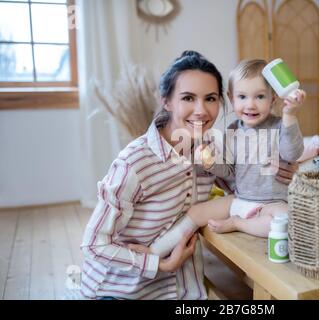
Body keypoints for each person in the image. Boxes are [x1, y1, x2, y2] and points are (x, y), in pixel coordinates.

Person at [80, 52, 298, 300]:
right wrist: (157, 264)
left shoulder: (211, 147)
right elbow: (93, 245)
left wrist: (290, 170)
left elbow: (243, 189)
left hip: (182, 290)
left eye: (210, 98)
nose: (201, 110)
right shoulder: (134, 163)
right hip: (120, 291)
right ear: (167, 101)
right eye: (188, 98)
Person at [149, 59, 306, 258]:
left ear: (273, 98)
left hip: (270, 205)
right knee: (197, 213)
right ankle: (154, 252)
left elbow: (292, 153)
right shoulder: (232, 130)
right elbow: (230, 172)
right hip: (239, 200)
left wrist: (290, 115)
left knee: (288, 220)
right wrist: (210, 163)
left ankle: (238, 224)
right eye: (242, 96)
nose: (250, 104)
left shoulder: (280, 125)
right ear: (231, 99)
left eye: (259, 96)